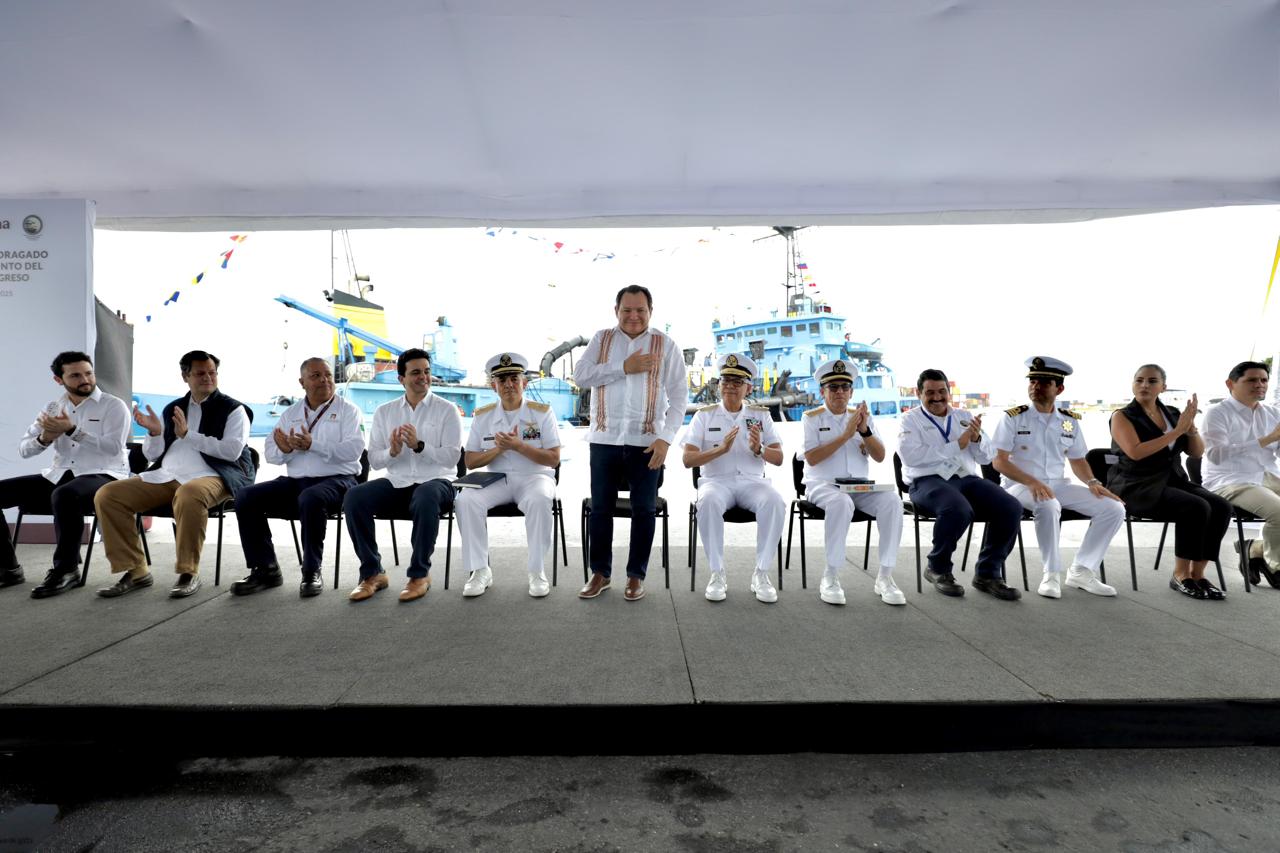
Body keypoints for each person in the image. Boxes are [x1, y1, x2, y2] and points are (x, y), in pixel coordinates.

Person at [94, 350, 255, 598]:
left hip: (215, 475)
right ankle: (136, 571)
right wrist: (155, 433)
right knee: (108, 494)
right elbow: (152, 455)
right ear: (185, 376)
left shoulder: (234, 410)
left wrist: (188, 435)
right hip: (167, 475)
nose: (207, 378)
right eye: (200, 373)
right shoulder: (174, 408)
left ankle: (188, 572)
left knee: (189, 493)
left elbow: (232, 452)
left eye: (212, 372)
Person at [573, 285, 686, 602]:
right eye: (627, 310)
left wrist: (666, 439)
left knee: (644, 509)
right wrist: (623, 367)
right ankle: (600, 573)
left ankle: (636, 576)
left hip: (647, 442)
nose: (634, 316)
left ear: (651, 311)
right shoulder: (602, 340)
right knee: (600, 510)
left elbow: (679, 397)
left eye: (640, 310)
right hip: (604, 439)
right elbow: (581, 376)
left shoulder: (665, 345)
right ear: (616, 311)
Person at [991, 357, 1123, 599]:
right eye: (1032, 381)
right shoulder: (1013, 417)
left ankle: (1082, 570)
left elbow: (1077, 460)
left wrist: (1093, 483)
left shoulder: (1069, 421)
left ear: (1059, 388)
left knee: (1113, 508)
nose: (1035, 386)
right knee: (1049, 505)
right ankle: (1050, 574)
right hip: (1020, 486)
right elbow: (998, 461)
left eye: (1043, 382)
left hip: (1058, 485)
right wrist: (1031, 481)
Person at [231, 357, 364, 598]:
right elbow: (271, 454)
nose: (324, 380)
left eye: (328, 375)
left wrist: (315, 444)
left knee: (311, 498)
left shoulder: (348, 411)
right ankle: (266, 568)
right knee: (246, 496)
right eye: (316, 376)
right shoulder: (290, 413)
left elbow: (354, 451)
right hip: (296, 482)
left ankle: (311, 571)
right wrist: (285, 449)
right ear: (302, 382)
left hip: (339, 481)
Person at [1, 351, 130, 598]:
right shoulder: (53, 408)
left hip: (104, 474)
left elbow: (114, 447)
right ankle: (8, 568)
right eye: (76, 375)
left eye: (88, 373)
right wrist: (44, 438)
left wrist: (72, 430)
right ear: (59, 380)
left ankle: (67, 569)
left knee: (65, 494)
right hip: (60, 473)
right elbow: (24, 449)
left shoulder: (114, 405)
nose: (85, 379)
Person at [342, 348, 462, 603]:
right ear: (401, 379)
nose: (423, 377)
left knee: (426, 495)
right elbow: (374, 460)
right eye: (416, 372)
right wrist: (392, 452)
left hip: (438, 481)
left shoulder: (447, 410)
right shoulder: (385, 412)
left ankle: (419, 575)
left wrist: (420, 446)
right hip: (398, 481)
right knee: (354, 497)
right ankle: (373, 573)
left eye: (427, 372)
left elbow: (452, 458)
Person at [898, 369, 1023, 600]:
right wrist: (958, 443)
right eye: (930, 392)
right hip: (927, 481)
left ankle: (988, 573)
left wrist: (976, 440)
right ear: (919, 393)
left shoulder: (963, 415)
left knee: (1011, 507)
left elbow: (986, 457)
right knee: (957, 509)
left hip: (966, 478)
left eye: (942, 391)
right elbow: (912, 457)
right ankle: (938, 568)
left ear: (949, 391)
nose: (937, 397)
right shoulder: (910, 419)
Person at [1109, 364, 1230, 599]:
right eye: (1139, 380)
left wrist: (1191, 429)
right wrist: (1176, 432)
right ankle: (1180, 575)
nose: (1145, 385)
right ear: (1133, 384)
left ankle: (1198, 574)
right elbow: (1135, 452)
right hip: (1136, 485)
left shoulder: (1174, 414)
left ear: (1163, 387)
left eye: (1152, 381)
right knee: (1195, 506)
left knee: (1221, 506)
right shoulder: (1122, 416)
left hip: (1172, 480)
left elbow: (1196, 453)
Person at [456, 352, 561, 598]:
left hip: (535, 476)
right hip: (497, 478)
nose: (508, 385)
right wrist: (498, 449)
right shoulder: (483, 416)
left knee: (539, 499)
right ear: (494, 386)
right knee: (465, 500)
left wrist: (519, 446)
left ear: (524, 382)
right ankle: (480, 570)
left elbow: (554, 458)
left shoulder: (542, 413)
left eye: (514, 378)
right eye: (501, 380)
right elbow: (470, 461)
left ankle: (537, 571)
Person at [801, 358, 905, 606]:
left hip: (859, 486)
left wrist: (864, 431)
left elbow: (880, 456)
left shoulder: (862, 418)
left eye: (844, 387)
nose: (839, 392)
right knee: (840, 503)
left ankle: (885, 576)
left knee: (892, 501)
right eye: (833, 387)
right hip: (822, 485)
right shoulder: (812, 418)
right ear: (822, 391)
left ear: (851, 391)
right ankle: (831, 575)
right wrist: (846, 434)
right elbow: (812, 458)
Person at [682, 353, 784, 604]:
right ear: (718, 385)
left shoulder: (761, 416)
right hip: (716, 482)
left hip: (752, 482)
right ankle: (717, 573)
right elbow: (687, 460)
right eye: (725, 381)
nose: (730, 386)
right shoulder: (703, 416)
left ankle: (761, 573)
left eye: (737, 382)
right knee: (707, 502)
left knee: (775, 502)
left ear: (748, 387)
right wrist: (720, 450)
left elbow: (779, 457)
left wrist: (759, 449)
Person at [1201, 360, 1280, 588]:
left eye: (1263, 380)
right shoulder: (1217, 413)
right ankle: (1275, 565)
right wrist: (1267, 439)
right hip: (1230, 481)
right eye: (1252, 380)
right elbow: (1216, 454)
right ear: (1230, 384)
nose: (1260, 385)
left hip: (1267, 476)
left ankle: (1255, 548)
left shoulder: (1273, 413)